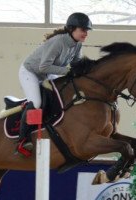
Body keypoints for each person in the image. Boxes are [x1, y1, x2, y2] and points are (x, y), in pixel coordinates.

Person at [18, 12, 92, 153]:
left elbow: (76, 64)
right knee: (37, 102)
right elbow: (43, 67)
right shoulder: (58, 42)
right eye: (83, 30)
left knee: (60, 97)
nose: (86, 33)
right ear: (72, 29)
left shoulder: (77, 45)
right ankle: (23, 139)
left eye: (87, 30)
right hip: (30, 72)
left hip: (47, 73)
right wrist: (68, 71)